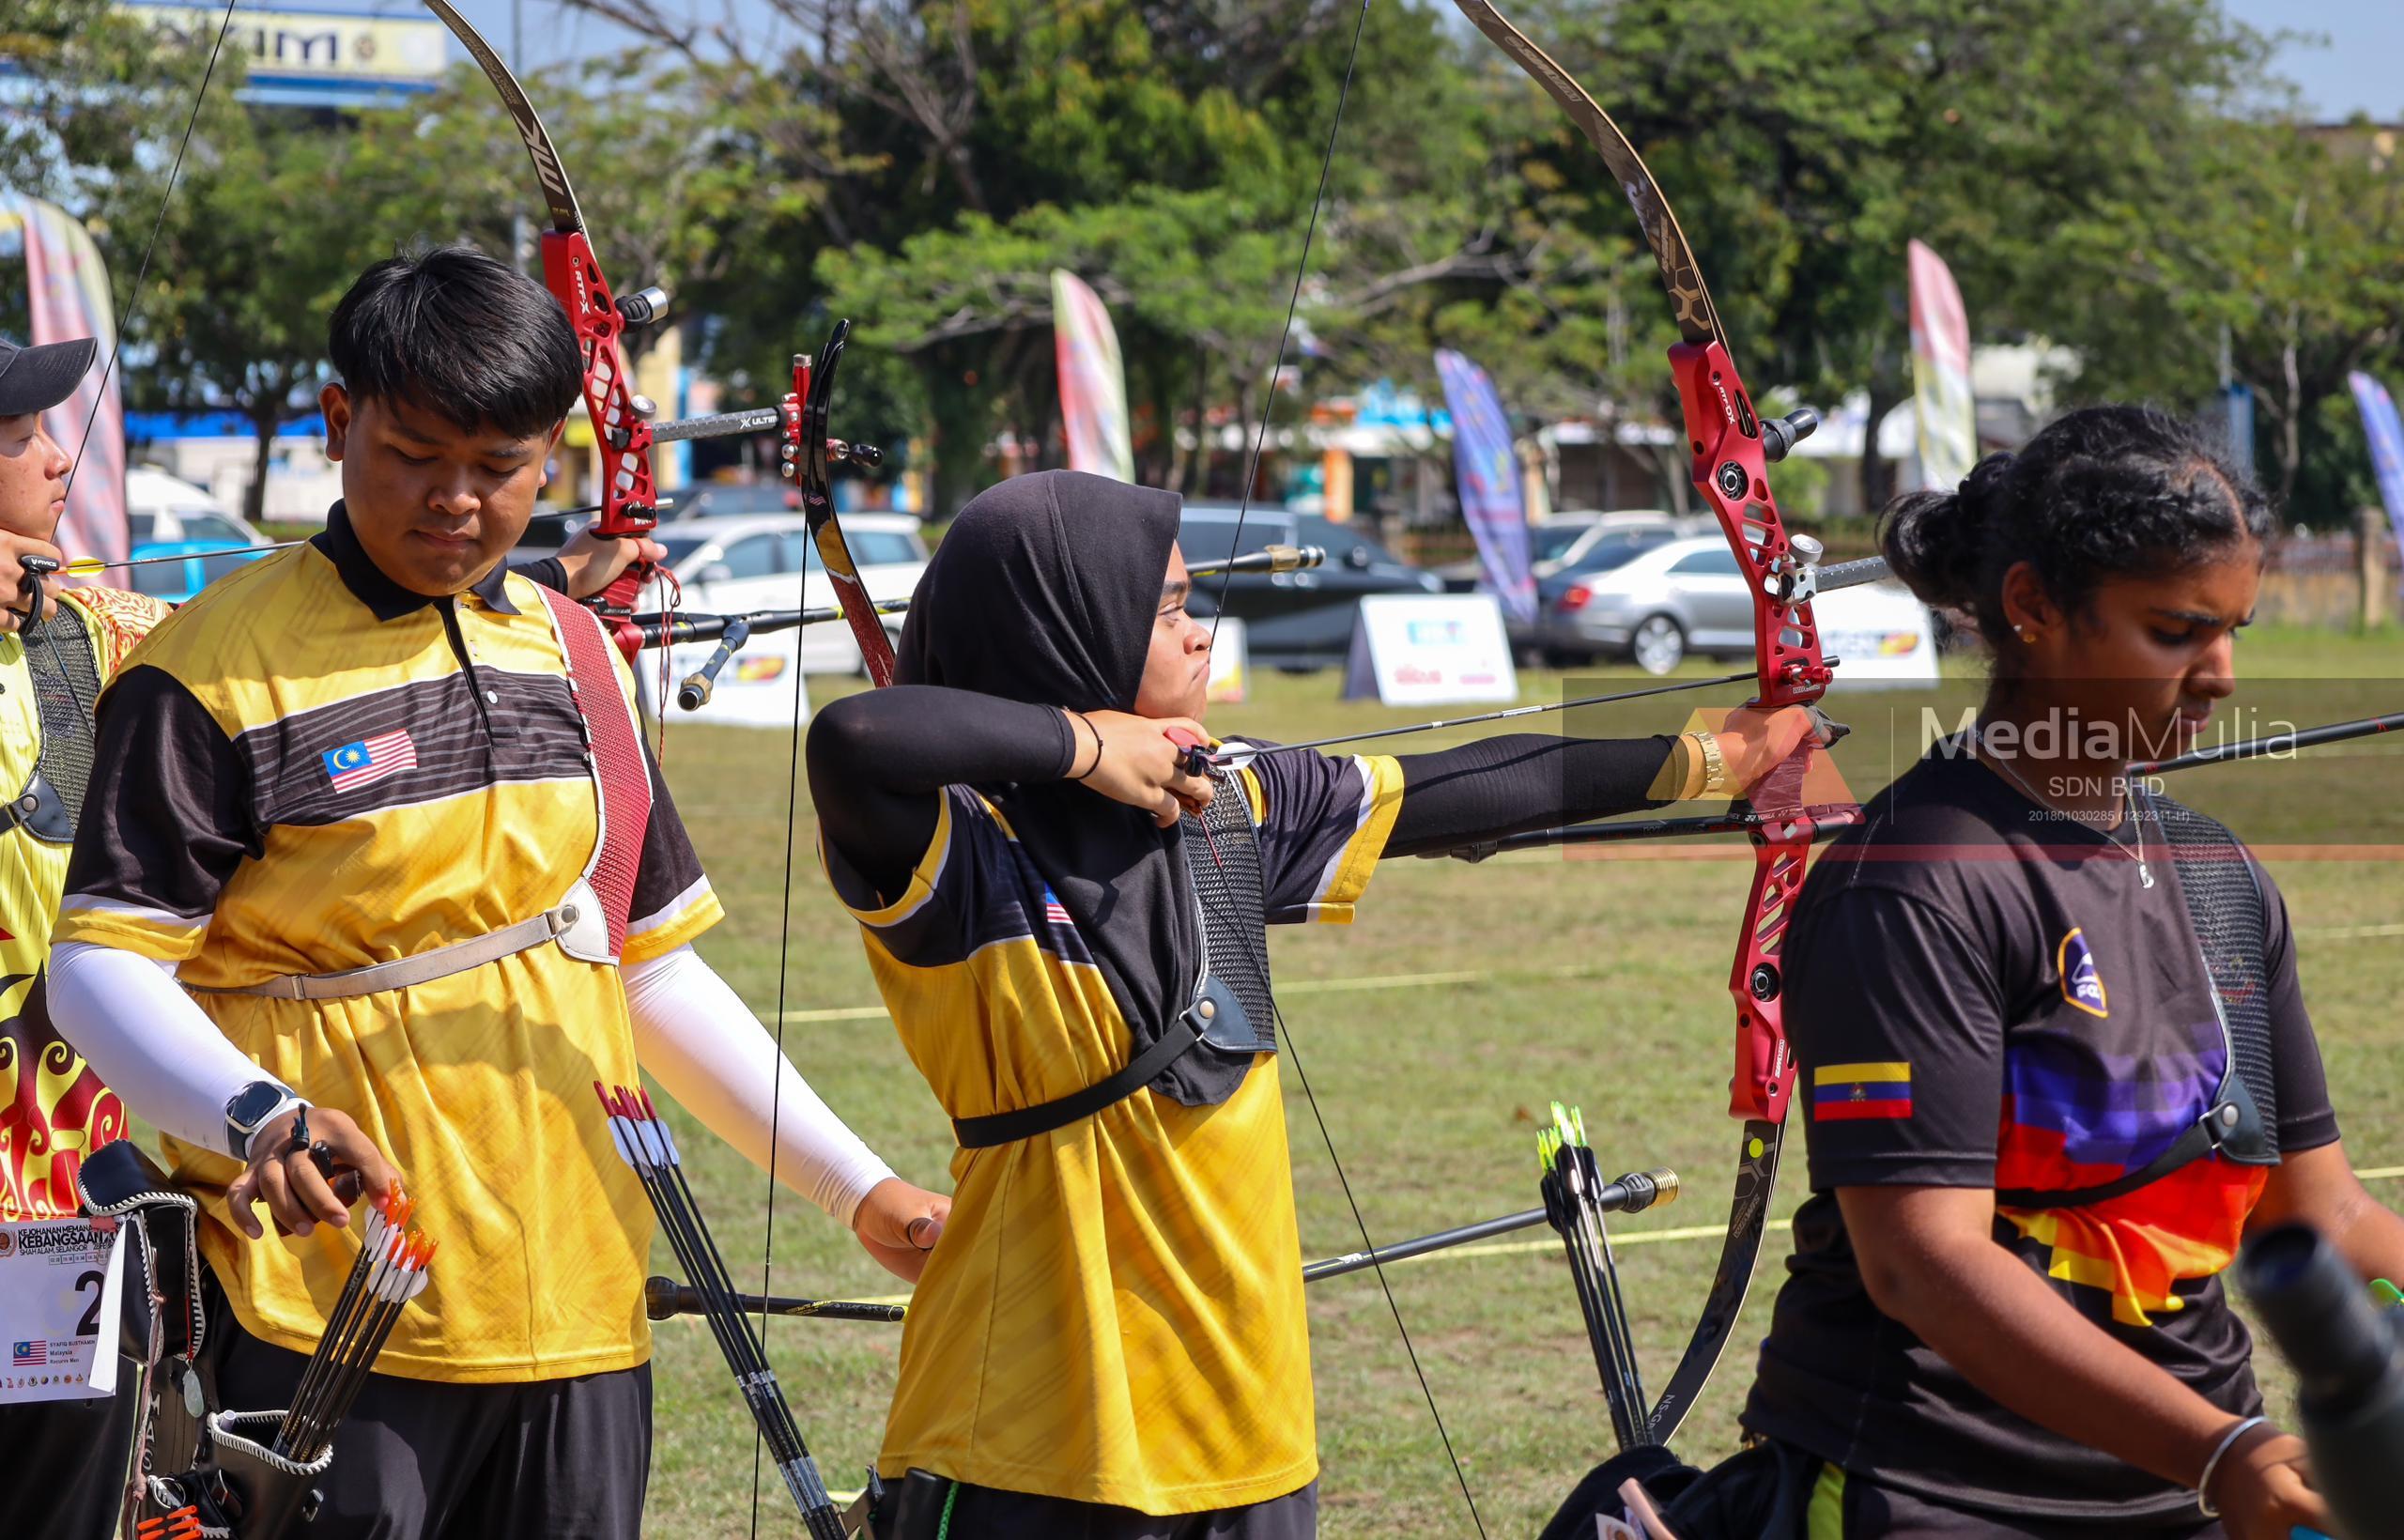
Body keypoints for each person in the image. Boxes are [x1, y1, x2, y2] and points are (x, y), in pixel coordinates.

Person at [43, 243, 948, 1540]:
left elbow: (643, 965)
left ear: (555, 457)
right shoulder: (213, 671)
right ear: (339, 420)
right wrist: (266, 1120)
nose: (457, 502)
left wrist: (860, 1190)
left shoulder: (575, 653)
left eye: (502, 466)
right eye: (415, 454)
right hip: (336, 1304)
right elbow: (102, 964)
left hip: (579, 1293)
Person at [803, 469, 1822, 1537]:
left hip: (1250, 1427)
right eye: (1167, 609)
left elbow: (1466, 786)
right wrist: (1094, 744)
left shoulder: (1224, 801)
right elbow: (856, 741)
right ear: (1068, 629)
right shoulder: (958, 849)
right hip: (1024, 1439)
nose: (1200, 634)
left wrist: (1711, 757)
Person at [1726, 406, 2404, 1539]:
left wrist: (2220, 1454)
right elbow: (1922, 1264)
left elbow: (2319, 1208)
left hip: (2196, 1487)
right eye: (2177, 630)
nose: (2222, 674)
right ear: (2033, 606)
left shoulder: (2217, 872)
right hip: (1940, 1493)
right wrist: (2218, 1449)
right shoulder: (1913, 881)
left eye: (2232, 628)